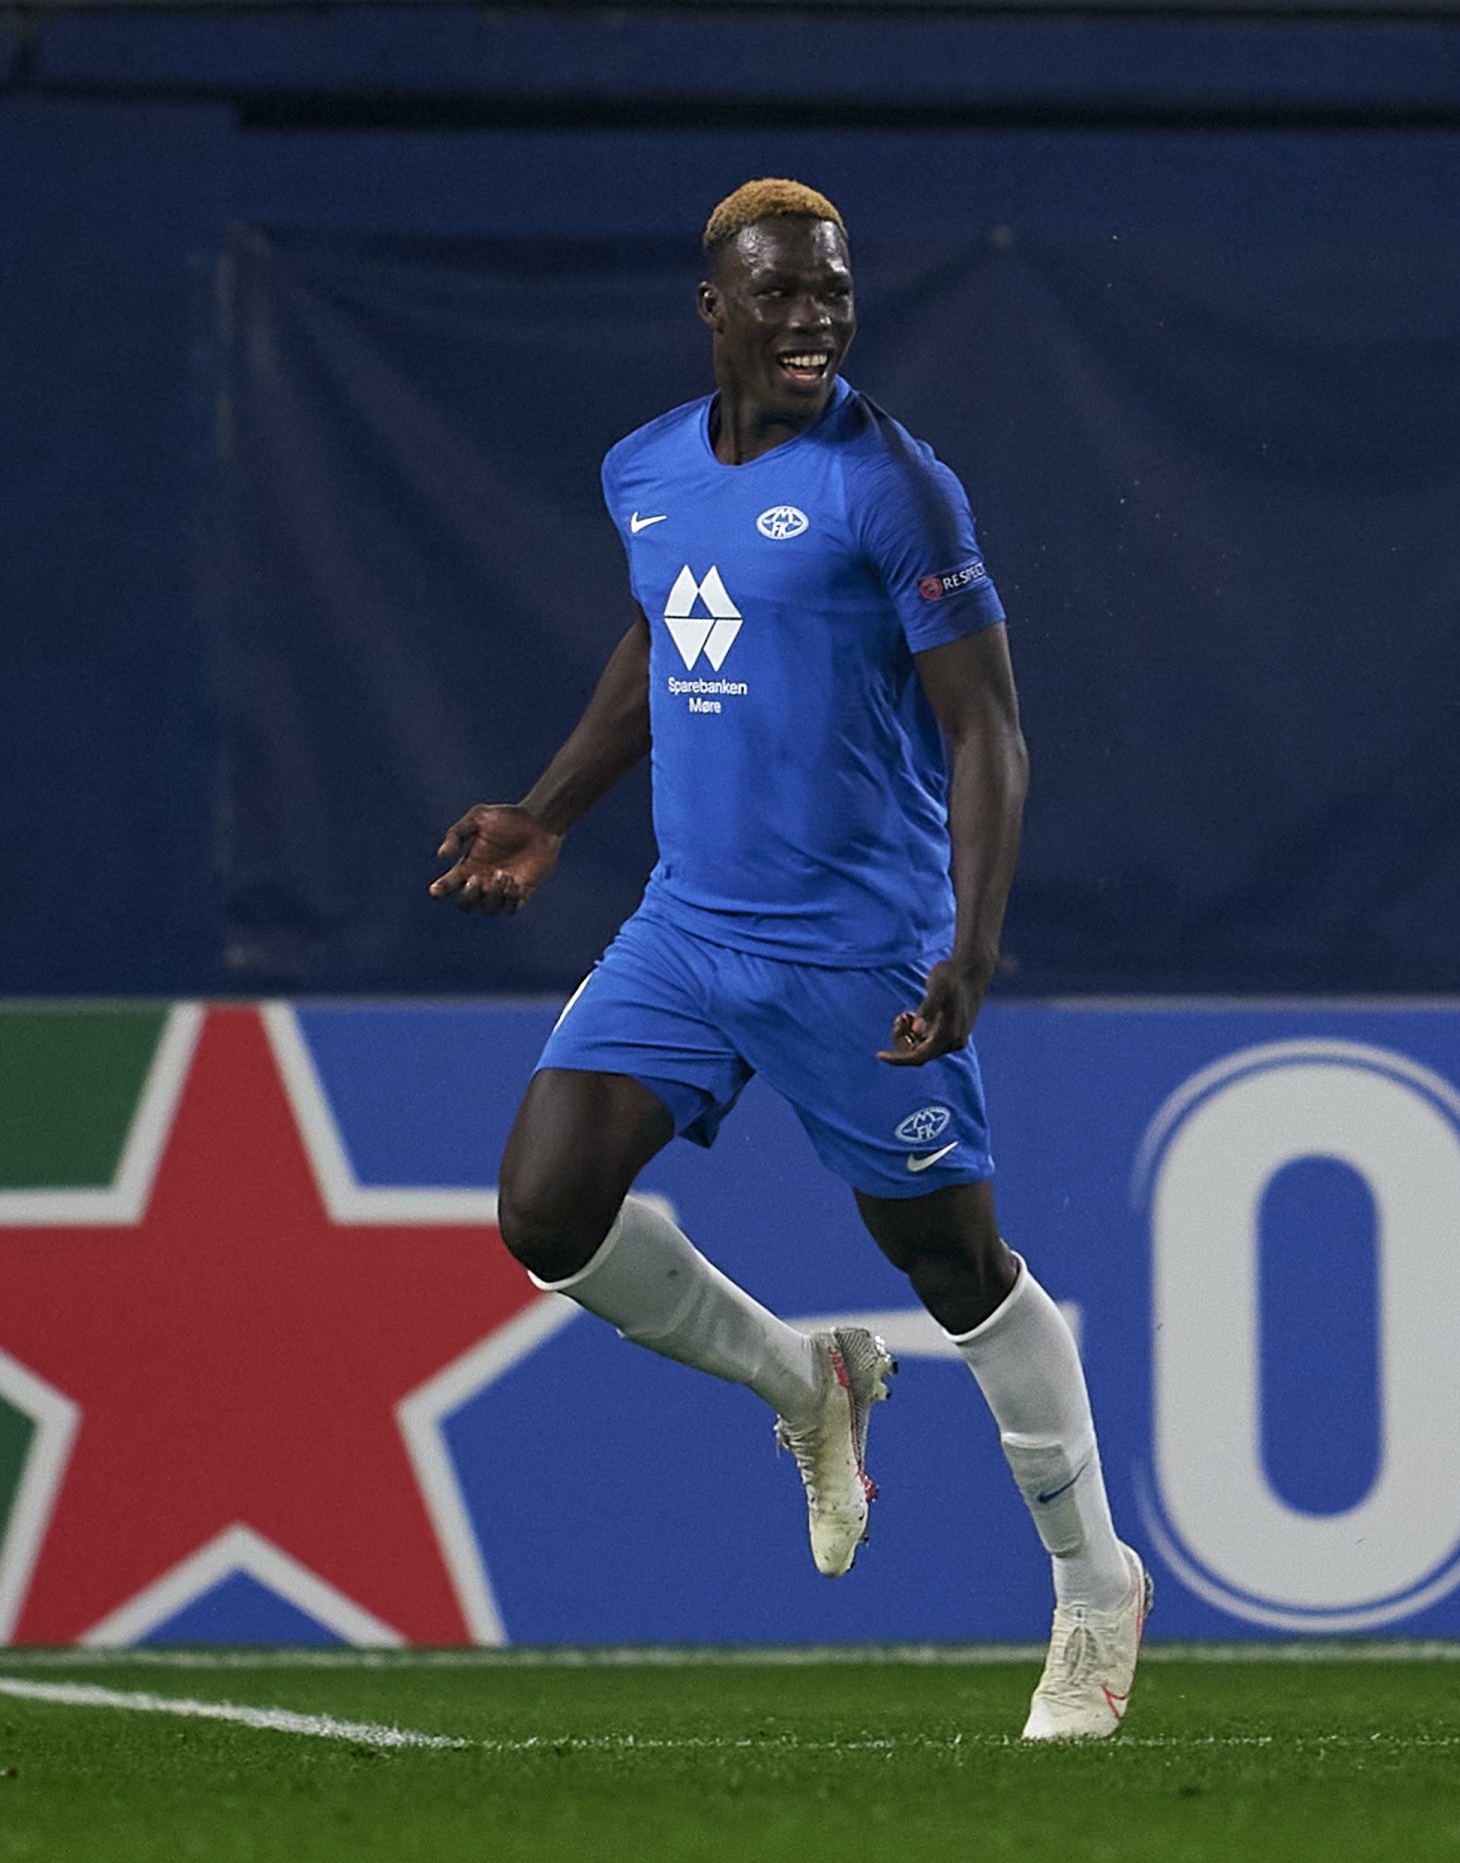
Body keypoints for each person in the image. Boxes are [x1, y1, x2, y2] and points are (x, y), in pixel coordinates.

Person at [428, 178, 1145, 1739]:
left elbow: (989, 729)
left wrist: (971, 944)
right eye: (782, 294)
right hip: (689, 926)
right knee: (545, 1210)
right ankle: (803, 1381)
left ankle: (1095, 1587)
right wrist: (551, 810)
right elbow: (664, 631)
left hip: (860, 950)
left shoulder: (894, 487)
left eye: (832, 292)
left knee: (954, 1273)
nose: (814, 318)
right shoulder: (646, 471)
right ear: (716, 308)